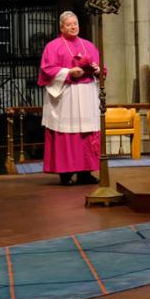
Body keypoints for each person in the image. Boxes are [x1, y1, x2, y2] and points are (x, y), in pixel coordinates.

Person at [37, 11, 101, 185]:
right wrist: (69, 72)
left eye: (76, 23)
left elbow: (101, 68)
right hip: (67, 95)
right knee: (66, 133)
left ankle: (85, 173)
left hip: (86, 92)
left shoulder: (88, 45)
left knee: (86, 133)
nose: (74, 27)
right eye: (69, 24)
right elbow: (47, 70)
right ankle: (65, 174)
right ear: (61, 27)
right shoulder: (53, 46)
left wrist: (96, 69)